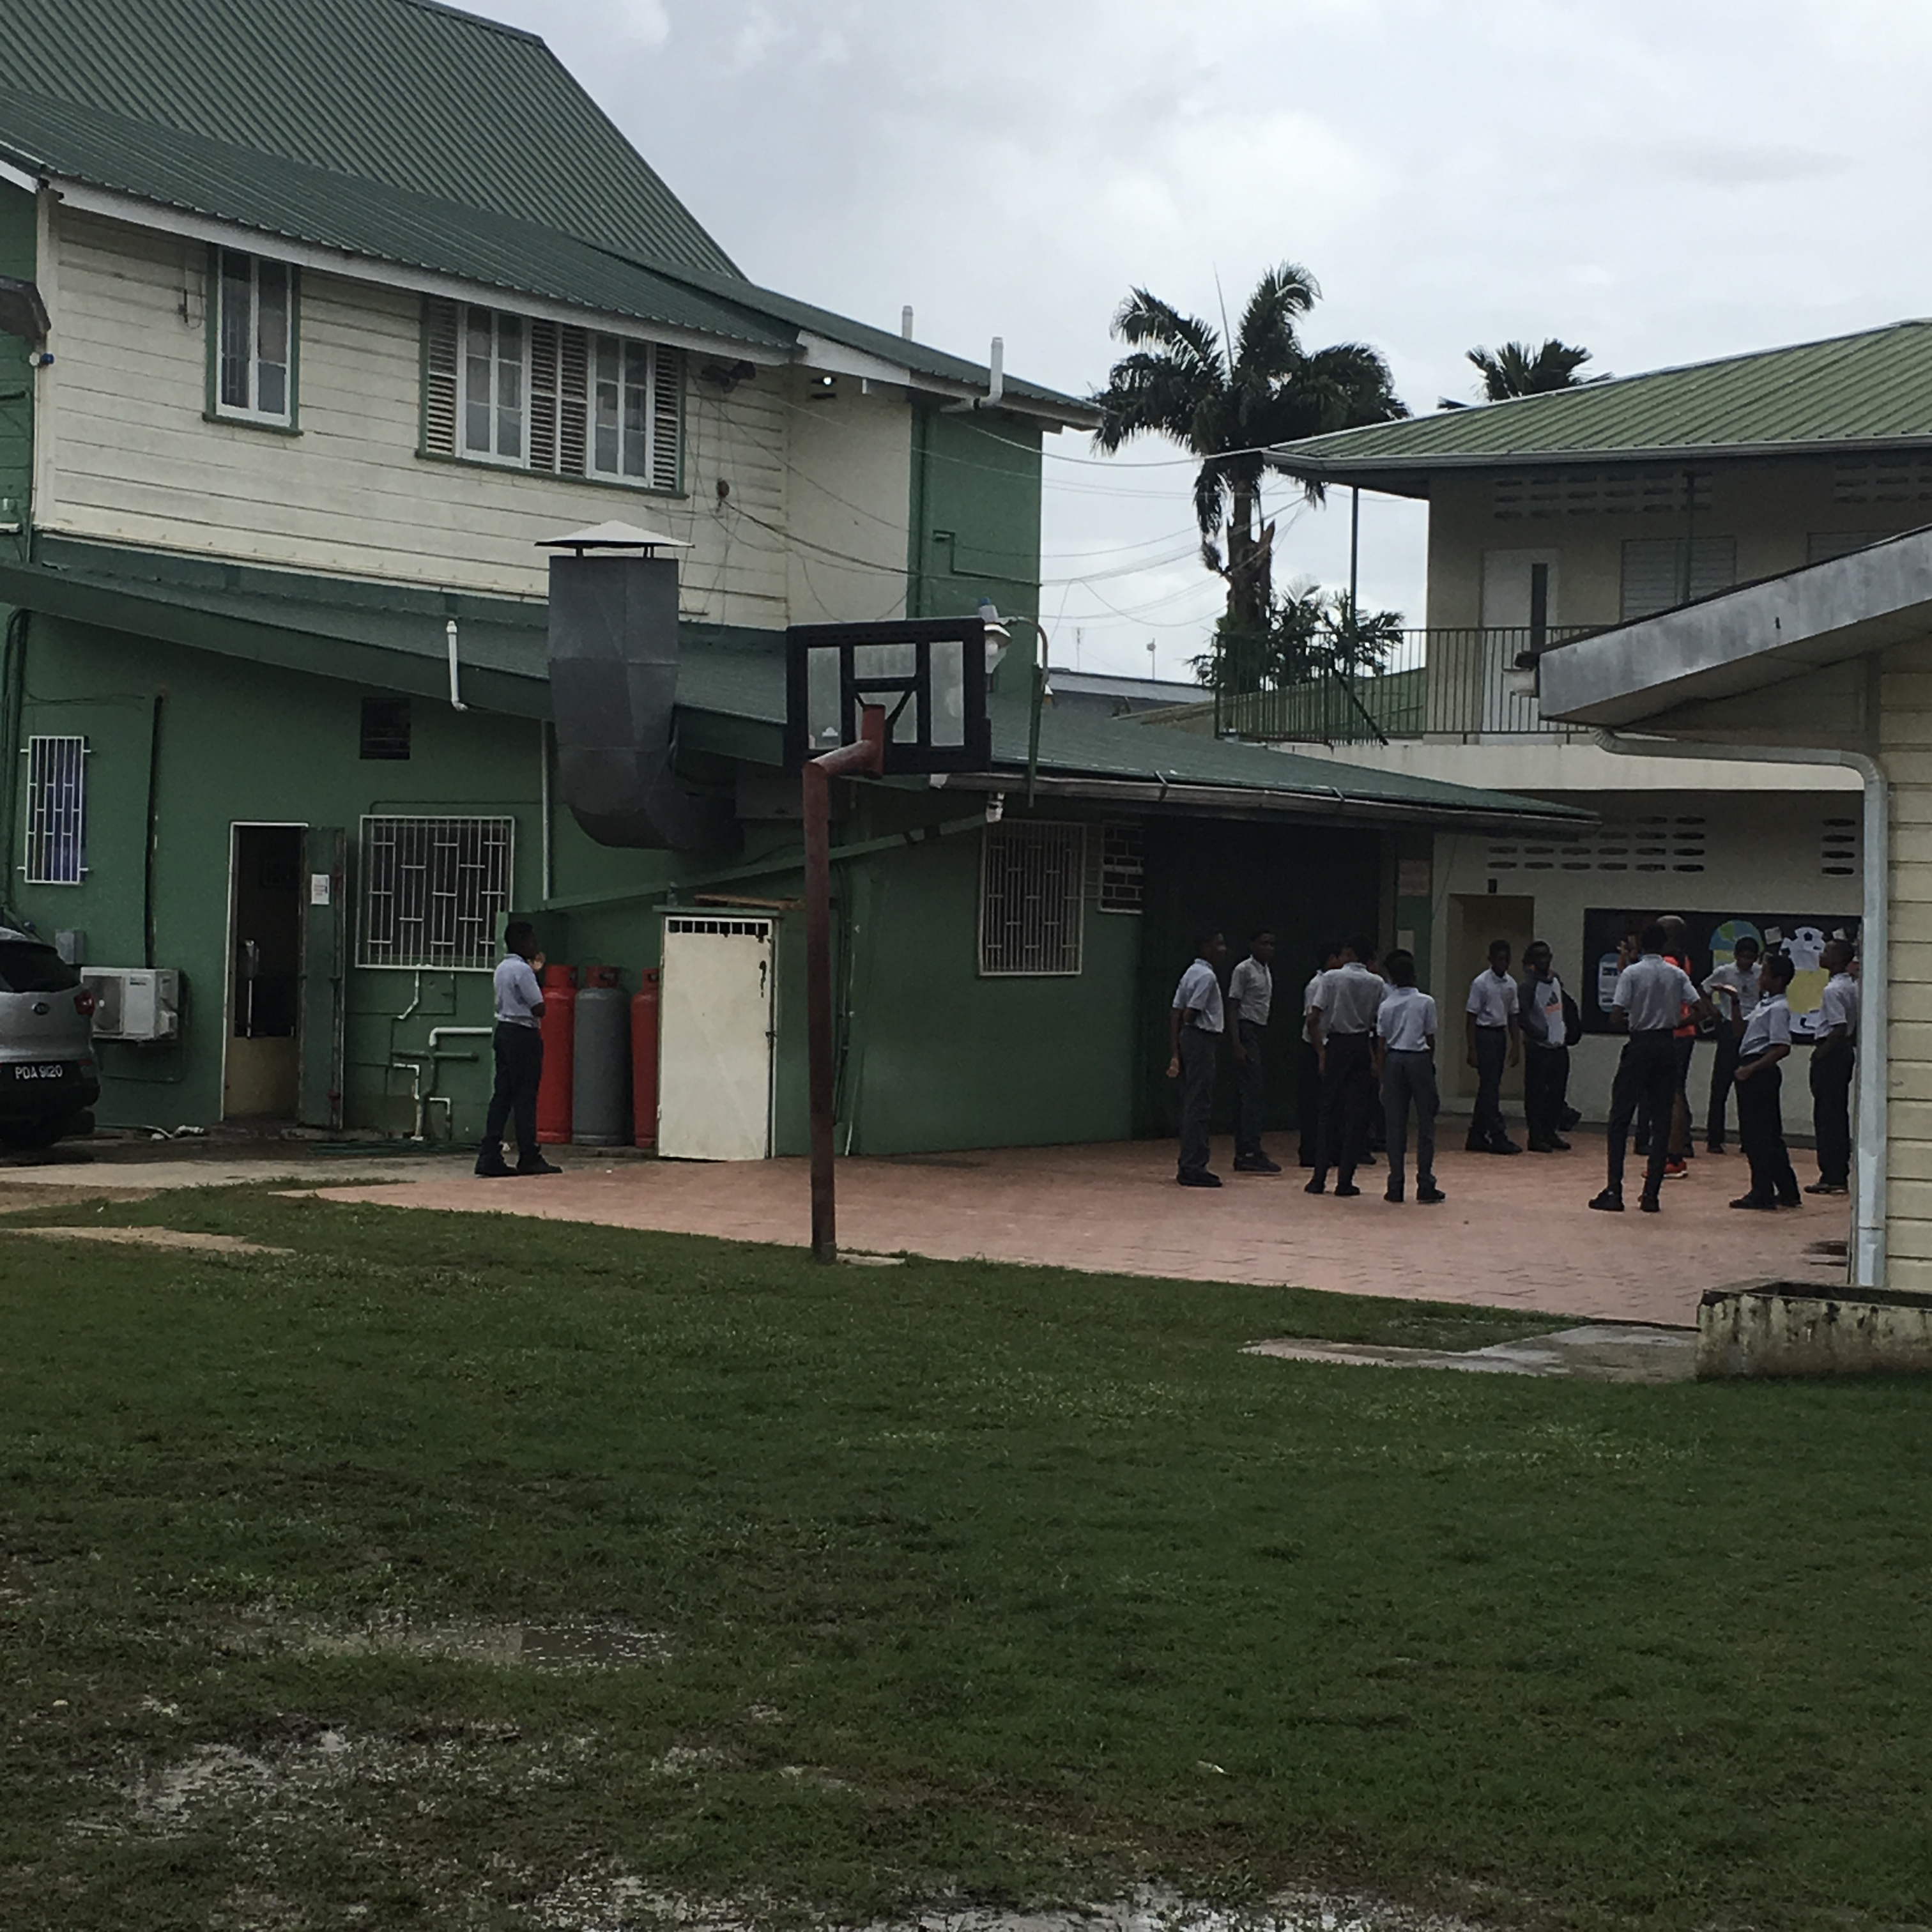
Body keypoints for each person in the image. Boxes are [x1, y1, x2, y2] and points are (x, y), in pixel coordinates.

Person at [1590, 923, 1711, 1214]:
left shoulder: (1632, 973)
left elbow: (1616, 1015)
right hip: (1667, 1044)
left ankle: (1614, 1190)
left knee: (1620, 1118)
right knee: (1662, 1120)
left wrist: (1635, 1020)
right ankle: (1651, 1195)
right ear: (1664, 945)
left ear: (1641, 945)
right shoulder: (1676, 973)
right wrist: (1675, 1022)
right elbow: (1701, 1010)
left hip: (1640, 1044)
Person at [477, 920, 562, 1178]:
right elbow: (539, 1007)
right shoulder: (523, 971)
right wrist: (536, 974)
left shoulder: (502, 968)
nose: (535, 946)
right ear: (522, 942)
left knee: (502, 1095)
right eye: (532, 940)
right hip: (523, 1034)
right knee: (526, 1095)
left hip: (504, 1030)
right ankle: (529, 1155)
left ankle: (489, 1153)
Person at [1306, 935, 1383, 1198]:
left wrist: (1321, 1051)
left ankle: (1318, 1178)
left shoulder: (1331, 978)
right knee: (1356, 1115)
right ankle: (1345, 1181)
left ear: (1349, 953)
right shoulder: (1376, 983)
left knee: (1328, 1112)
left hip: (1337, 1044)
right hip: (1361, 1044)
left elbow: (1313, 1018)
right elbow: (1378, 1023)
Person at [1729, 950, 1802, 1211]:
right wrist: (1735, 1002)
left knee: (1758, 1135)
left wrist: (1752, 1069)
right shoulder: (1765, 1005)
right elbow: (1741, 1030)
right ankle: (1787, 1190)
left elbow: (1782, 1047)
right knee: (1768, 1134)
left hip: (1759, 1070)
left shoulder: (1779, 1008)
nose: (1761, 978)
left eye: (1766, 974)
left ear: (1778, 980)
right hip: (1751, 1065)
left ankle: (1762, 1191)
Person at [1375, 949, 1445, 1205]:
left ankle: (1396, 1184)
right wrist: (1429, 1063)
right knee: (1426, 1121)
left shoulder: (1386, 1005)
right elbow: (1430, 1037)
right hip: (1418, 1058)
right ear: (1414, 975)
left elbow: (1381, 1044)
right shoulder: (1426, 1002)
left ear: (1392, 978)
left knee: (1395, 1125)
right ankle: (1425, 1182)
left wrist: (1382, 1076)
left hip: (1394, 1059)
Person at [1167, 928, 1228, 1188]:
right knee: (1199, 1103)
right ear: (1205, 947)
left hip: (1189, 1039)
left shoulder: (1190, 972)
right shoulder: (1207, 976)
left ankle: (1189, 1163)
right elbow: (1189, 1013)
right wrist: (1191, 1024)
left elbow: (1175, 1012)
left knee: (1193, 1100)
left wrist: (1176, 1052)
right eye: (1219, 944)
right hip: (1201, 1038)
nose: (1223, 950)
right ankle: (1194, 1166)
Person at [1807, 938, 1859, 1197]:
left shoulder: (1833, 991)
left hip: (1832, 1051)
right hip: (1845, 1051)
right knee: (1837, 1112)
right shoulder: (1852, 986)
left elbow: (1839, 1027)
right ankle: (1838, 1172)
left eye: (1827, 951)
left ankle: (1832, 1175)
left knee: (1827, 1115)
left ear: (1838, 959)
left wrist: (1821, 1053)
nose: (1821, 955)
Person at [1703, 935, 1763, 1154]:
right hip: (1729, 1027)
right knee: (1720, 1085)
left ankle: (1749, 1139)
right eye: (1743, 957)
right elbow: (1704, 990)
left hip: (1752, 1028)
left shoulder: (1760, 972)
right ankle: (1715, 1138)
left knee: (1748, 1088)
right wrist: (1714, 1012)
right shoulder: (1725, 972)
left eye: (1750, 957)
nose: (1746, 961)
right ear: (1736, 956)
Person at [1228, 929, 1281, 1174]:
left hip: (1259, 1030)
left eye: (1272, 944)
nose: (1269, 948)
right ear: (1252, 945)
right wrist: (1237, 1043)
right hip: (1246, 1029)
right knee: (1250, 1092)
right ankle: (1249, 1151)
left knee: (1254, 1092)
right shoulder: (1244, 970)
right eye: (1264, 943)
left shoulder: (1266, 970)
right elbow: (1233, 1005)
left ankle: (1248, 1149)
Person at [1464, 939, 1522, 1155]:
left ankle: (1476, 1134)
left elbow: (1513, 1015)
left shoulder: (1511, 984)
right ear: (1490, 960)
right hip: (1485, 1035)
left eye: (1506, 959)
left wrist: (1516, 1045)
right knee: (1490, 1088)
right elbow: (1471, 1017)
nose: (1503, 963)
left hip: (1499, 1035)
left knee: (1489, 1087)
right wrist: (1472, 1048)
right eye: (1499, 959)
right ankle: (1498, 1134)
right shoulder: (1481, 983)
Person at [1518, 939, 1572, 1153]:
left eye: (1547, 955)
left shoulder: (1555, 979)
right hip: (1538, 1046)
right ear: (1532, 960)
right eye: (1539, 956)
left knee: (1557, 1092)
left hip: (1558, 1043)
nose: (1544, 960)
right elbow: (1522, 1015)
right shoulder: (1528, 986)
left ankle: (1550, 1131)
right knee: (1536, 1093)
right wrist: (1538, 1034)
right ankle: (1536, 1135)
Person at [1298, 941, 1339, 1167]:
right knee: (1312, 1103)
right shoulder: (1317, 985)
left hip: (1326, 1047)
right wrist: (1321, 1053)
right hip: (1314, 1048)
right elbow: (1312, 1021)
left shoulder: (1333, 983)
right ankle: (1310, 1152)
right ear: (1332, 959)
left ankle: (1326, 1150)